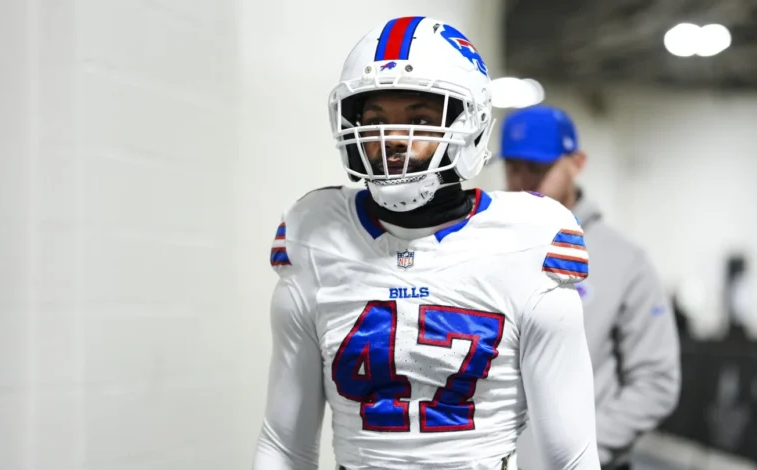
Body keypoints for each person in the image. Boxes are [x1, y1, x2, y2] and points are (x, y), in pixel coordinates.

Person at [253, 17, 600, 470]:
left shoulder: (529, 239)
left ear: (469, 124)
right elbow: (285, 444)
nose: (393, 139)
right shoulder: (314, 234)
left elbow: (570, 457)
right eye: (376, 120)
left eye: (418, 119)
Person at [500, 105, 681, 470]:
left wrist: (579, 452)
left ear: (576, 163)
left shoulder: (624, 261)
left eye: (536, 168)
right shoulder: (486, 250)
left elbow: (656, 381)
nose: (522, 181)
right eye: (513, 167)